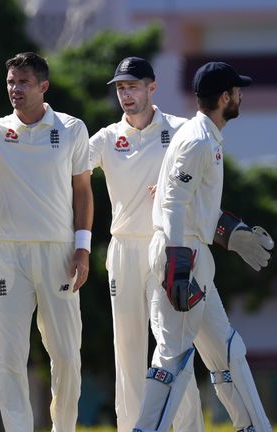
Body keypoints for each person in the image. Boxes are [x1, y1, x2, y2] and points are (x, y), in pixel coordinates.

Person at [0, 52, 91, 432]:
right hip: (10, 256)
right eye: (10, 82)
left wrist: (83, 248)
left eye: (23, 82)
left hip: (59, 253)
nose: (15, 89)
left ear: (43, 86)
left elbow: (83, 191)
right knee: (9, 357)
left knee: (67, 358)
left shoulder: (72, 128)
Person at [134, 61, 275, 432]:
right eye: (237, 91)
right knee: (172, 360)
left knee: (229, 353)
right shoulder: (197, 140)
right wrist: (177, 267)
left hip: (195, 258)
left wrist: (233, 233)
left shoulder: (206, 136)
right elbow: (172, 204)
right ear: (225, 97)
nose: (241, 96)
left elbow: (194, 206)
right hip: (182, 259)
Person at [87, 57, 204, 432]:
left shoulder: (181, 130)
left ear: (152, 87)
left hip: (166, 245)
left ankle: (188, 428)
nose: (126, 94)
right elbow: (65, 173)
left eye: (133, 86)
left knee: (171, 347)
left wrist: (173, 190)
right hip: (122, 249)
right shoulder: (106, 137)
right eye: (120, 88)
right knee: (128, 351)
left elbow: (206, 180)